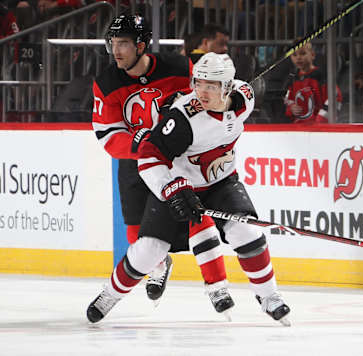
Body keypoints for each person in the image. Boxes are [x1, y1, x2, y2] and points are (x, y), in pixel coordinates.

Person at [87, 52, 291, 326]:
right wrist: (171, 188)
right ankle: (109, 294)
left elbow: (245, 92)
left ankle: (269, 297)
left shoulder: (245, 99)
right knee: (150, 250)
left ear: (228, 87)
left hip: (221, 182)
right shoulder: (183, 118)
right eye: (198, 83)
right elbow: (148, 157)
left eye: (211, 85)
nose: (201, 92)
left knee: (248, 231)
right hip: (179, 184)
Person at [88, 14, 233, 321]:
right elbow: (108, 136)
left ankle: (218, 287)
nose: (116, 50)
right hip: (135, 163)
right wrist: (144, 145)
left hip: (179, 159)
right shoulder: (106, 83)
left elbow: (206, 95)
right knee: (135, 234)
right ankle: (159, 265)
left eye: (124, 43)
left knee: (196, 214)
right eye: (113, 43)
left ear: (141, 45)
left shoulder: (179, 68)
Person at [284, 42, 343, 124]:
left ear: (312, 55)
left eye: (302, 53)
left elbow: (336, 97)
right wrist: (291, 108)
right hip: (298, 127)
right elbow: (288, 99)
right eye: (294, 55)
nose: (298, 58)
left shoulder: (321, 76)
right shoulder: (293, 78)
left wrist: (321, 120)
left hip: (319, 128)